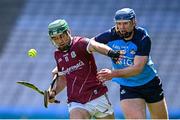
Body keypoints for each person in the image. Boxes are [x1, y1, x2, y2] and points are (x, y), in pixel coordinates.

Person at [94, 8, 169, 119]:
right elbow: (88, 45)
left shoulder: (143, 38)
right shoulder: (110, 35)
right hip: (128, 87)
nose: (122, 27)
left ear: (134, 22)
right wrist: (108, 51)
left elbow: (137, 68)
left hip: (150, 83)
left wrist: (113, 74)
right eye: (119, 24)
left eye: (125, 23)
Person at [46, 19, 121, 119]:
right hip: (76, 101)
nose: (60, 41)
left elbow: (95, 46)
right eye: (55, 38)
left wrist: (111, 53)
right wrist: (54, 92)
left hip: (97, 96)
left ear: (68, 32)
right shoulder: (57, 55)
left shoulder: (80, 43)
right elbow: (63, 79)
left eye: (61, 36)